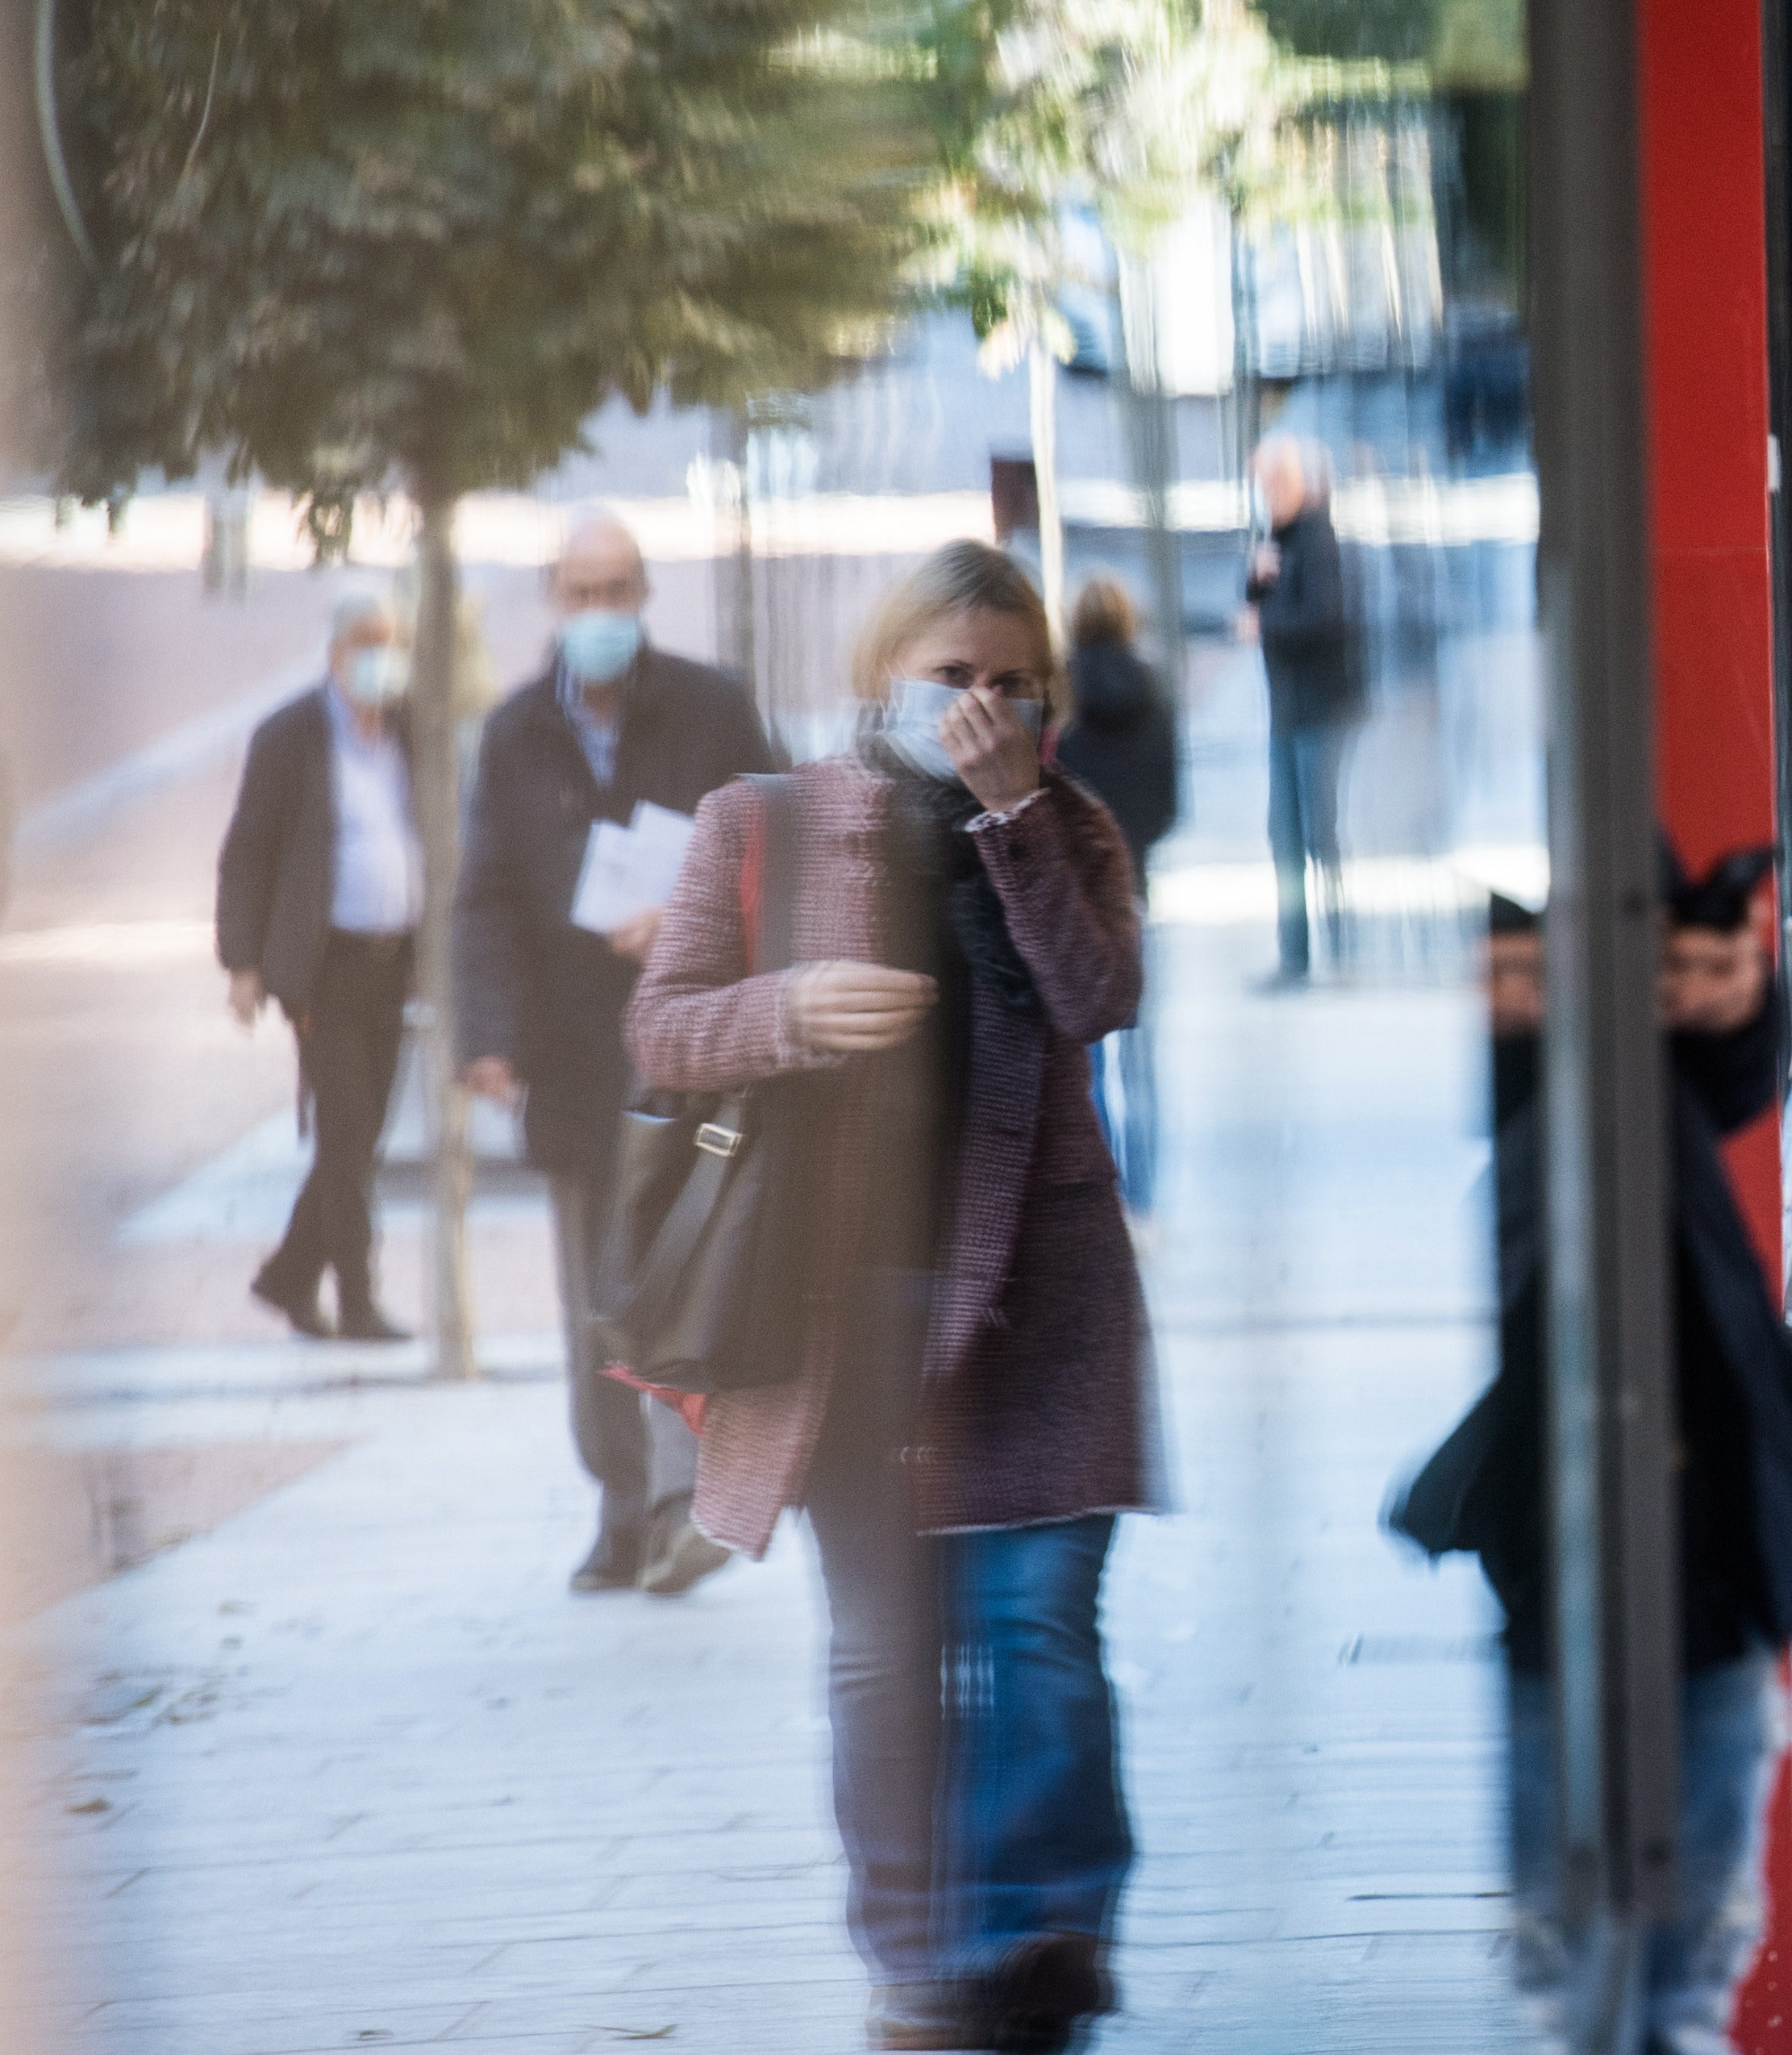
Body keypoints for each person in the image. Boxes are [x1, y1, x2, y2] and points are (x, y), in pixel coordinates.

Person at [625, 542, 1152, 2055]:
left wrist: (1014, 826)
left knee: (1042, 1626)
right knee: (883, 1642)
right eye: (951, 679)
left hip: (1038, 1296)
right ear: (883, 677)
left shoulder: (1072, 824)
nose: (981, 707)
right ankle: (918, 1953)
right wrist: (784, 1011)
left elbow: (1099, 998)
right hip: (837, 1300)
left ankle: (1048, 1923)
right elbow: (662, 1032)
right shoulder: (766, 820)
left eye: (1010, 684)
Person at [1393, 853, 1792, 2055]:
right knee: (1585, 1918)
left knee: (1685, 1902)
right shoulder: (1543, 1102)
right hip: (1570, 1551)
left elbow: (1730, 1071)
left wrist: (1740, 995)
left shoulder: (1658, 1088)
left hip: (1707, 1546)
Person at [459, 511, 781, 1598]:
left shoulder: (711, 707)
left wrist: (693, 913)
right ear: (555, 598)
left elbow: (782, 850)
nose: (599, 614)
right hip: (571, 1058)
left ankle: (684, 1504)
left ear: (644, 595)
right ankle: (622, 1508)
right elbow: (487, 896)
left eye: (618, 591)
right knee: (594, 1297)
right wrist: (489, 1039)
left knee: (686, 1273)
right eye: (580, 593)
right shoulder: (512, 735)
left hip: (693, 1050)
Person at [218, 586, 420, 1344]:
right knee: (347, 1133)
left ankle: (288, 1276)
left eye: (392, 640)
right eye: (367, 641)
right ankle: (359, 1300)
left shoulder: (409, 730)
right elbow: (247, 854)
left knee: (357, 1139)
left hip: (390, 963)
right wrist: (243, 963)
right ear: (336, 653)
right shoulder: (291, 737)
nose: (381, 657)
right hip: (323, 968)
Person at [1247, 434, 1361, 985]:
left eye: (1275, 483)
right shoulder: (1280, 540)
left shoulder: (1317, 541)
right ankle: (1296, 956)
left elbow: (1324, 619)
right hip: (1287, 712)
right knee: (1285, 833)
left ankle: (1339, 947)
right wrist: (1256, 581)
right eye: (1263, 484)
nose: (1268, 494)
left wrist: (1263, 624)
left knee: (1319, 832)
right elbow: (1258, 605)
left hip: (1319, 710)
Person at [1053, 576, 1179, 873]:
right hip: (1135, 838)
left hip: (1075, 839)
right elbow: (1164, 764)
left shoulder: (1060, 685)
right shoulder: (1149, 682)